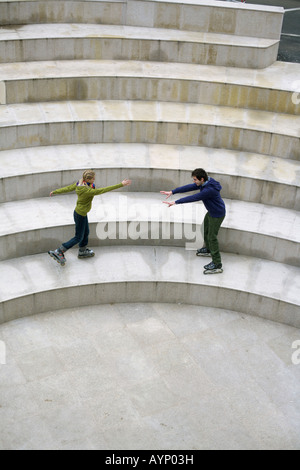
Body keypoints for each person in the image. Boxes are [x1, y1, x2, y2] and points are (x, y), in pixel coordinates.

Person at [48, 170, 132, 264]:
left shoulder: (80, 182)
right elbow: (102, 190)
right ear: (87, 179)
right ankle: (59, 251)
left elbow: (68, 188)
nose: (94, 179)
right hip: (80, 214)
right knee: (78, 237)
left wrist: (55, 191)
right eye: (93, 178)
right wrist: (121, 184)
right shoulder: (86, 190)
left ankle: (82, 251)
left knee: (86, 232)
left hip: (81, 213)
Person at [160, 168, 226, 273]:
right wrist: (173, 192)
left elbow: (195, 197)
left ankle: (217, 264)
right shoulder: (205, 182)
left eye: (195, 180)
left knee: (212, 237)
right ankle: (209, 249)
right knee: (204, 230)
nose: (194, 182)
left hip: (217, 214)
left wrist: (176, 202)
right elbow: (189, 187)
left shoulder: (209, 190)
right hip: (211, 212)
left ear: (202, 179)